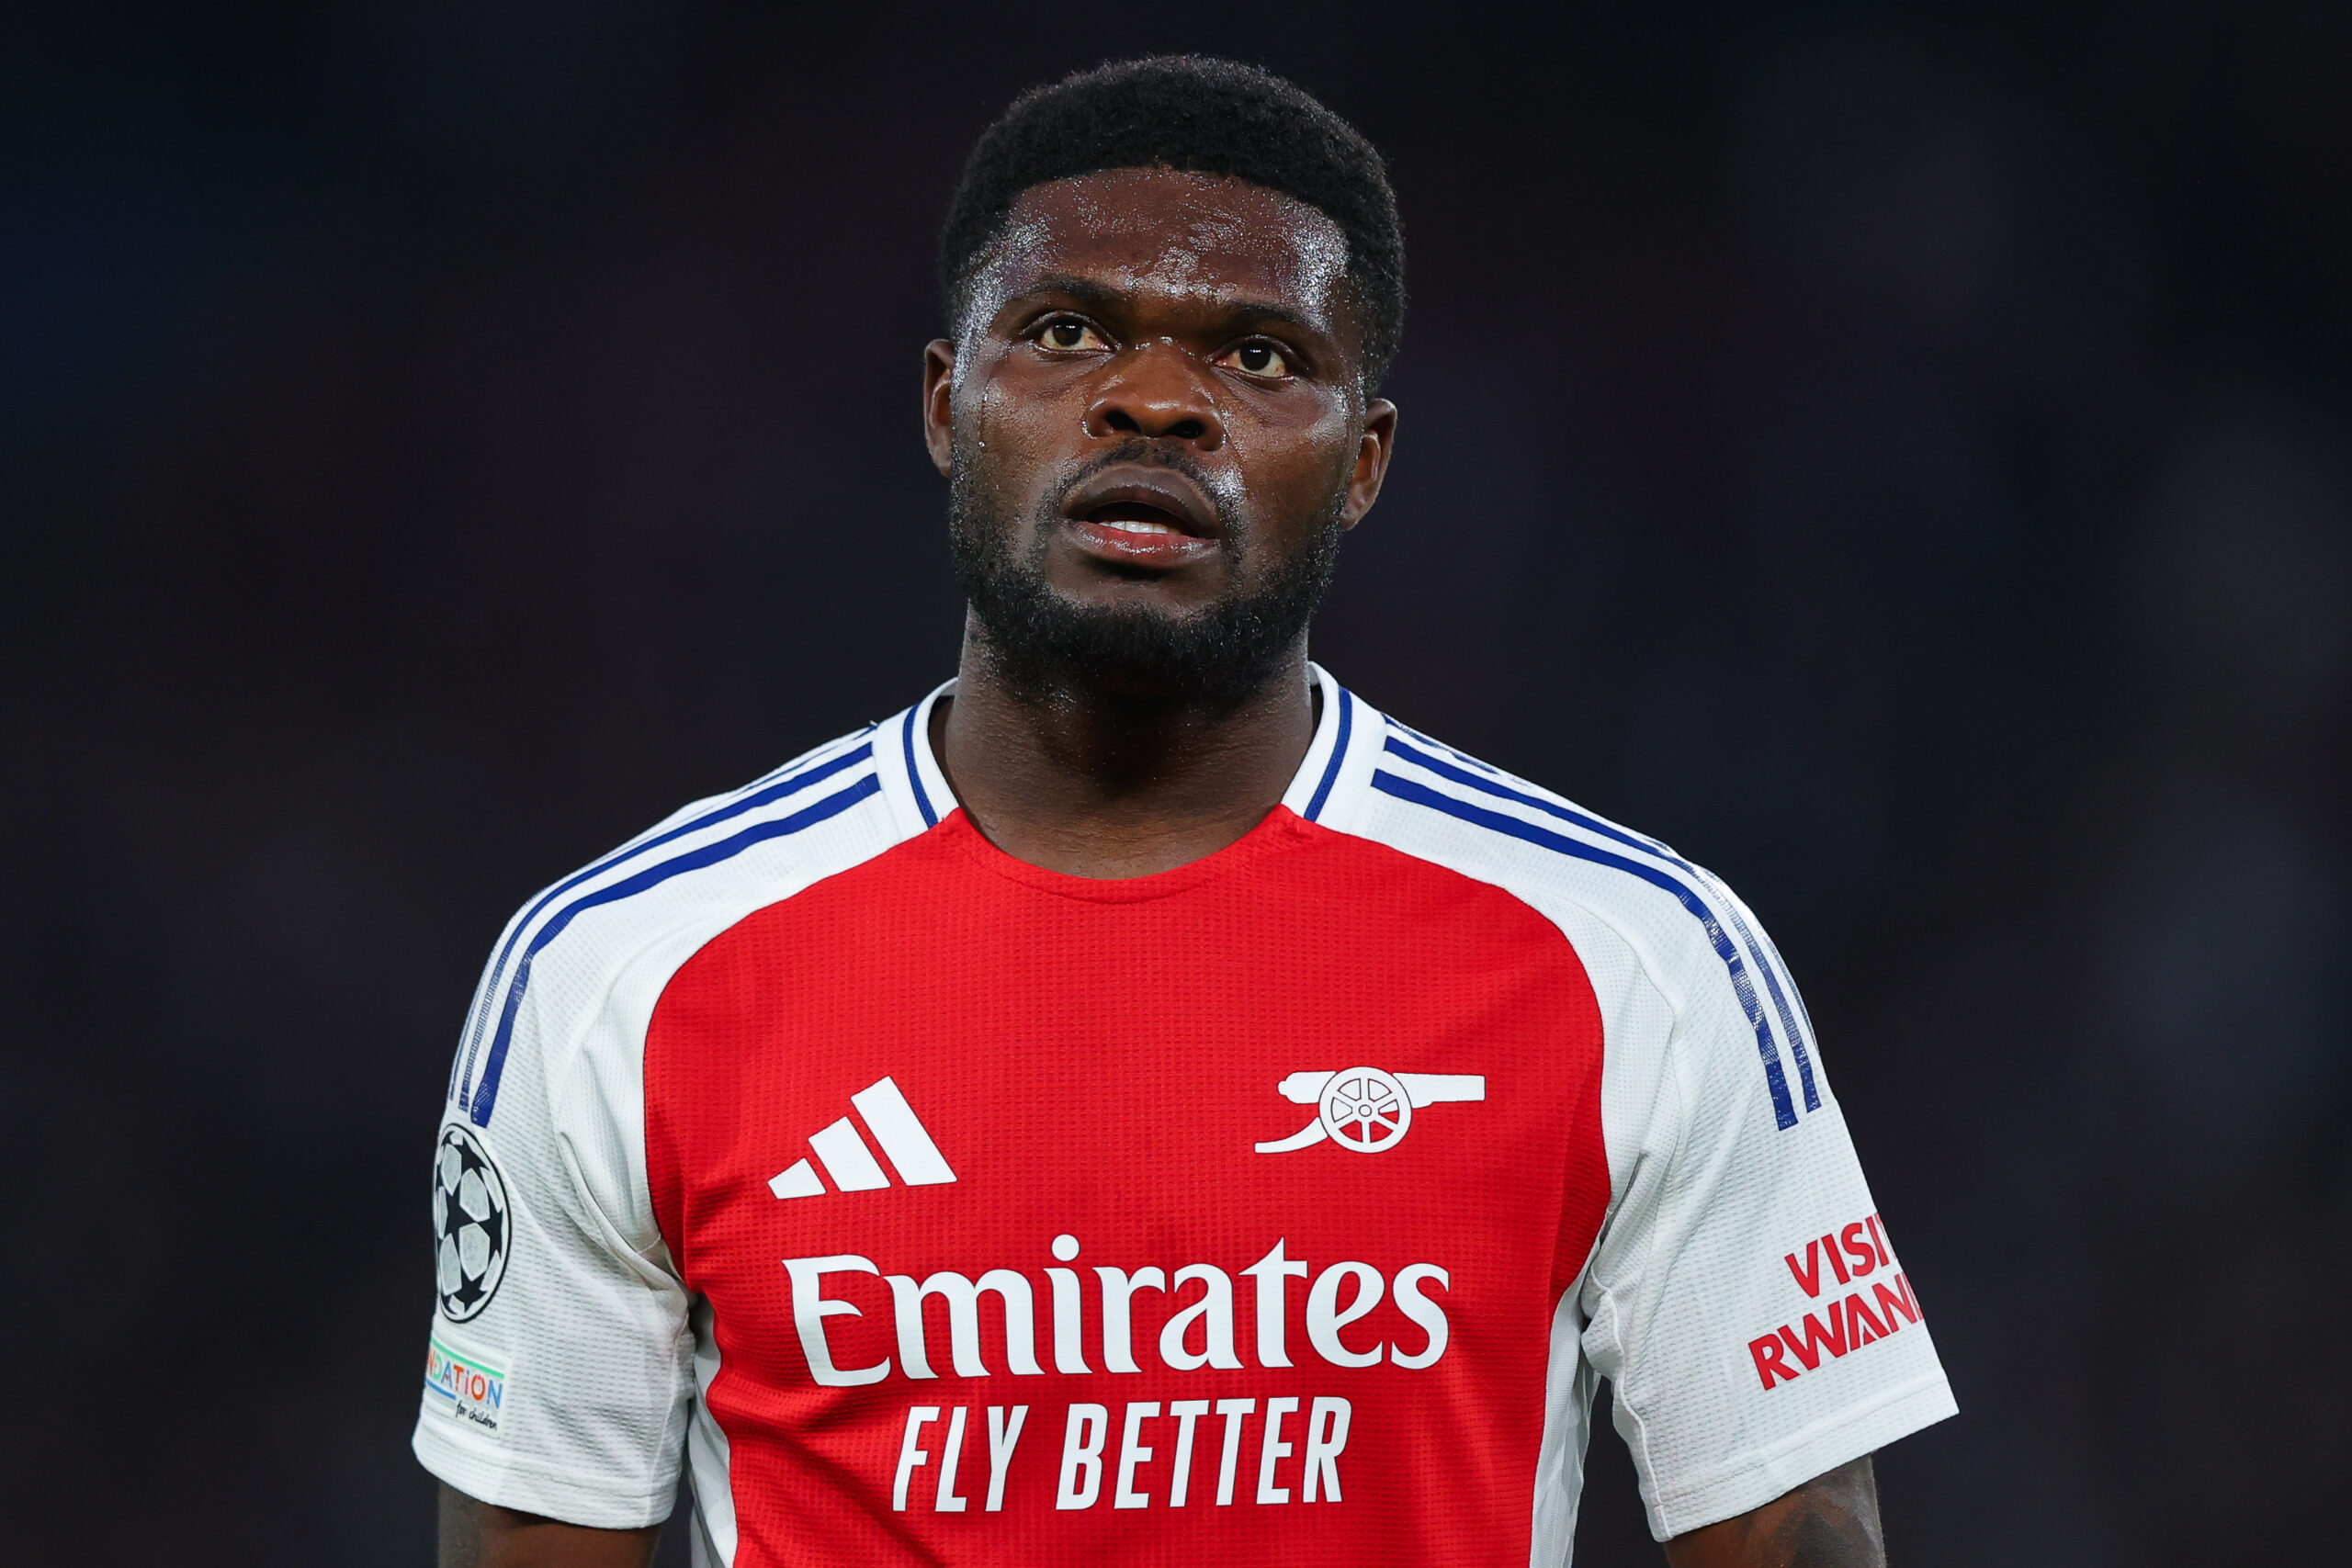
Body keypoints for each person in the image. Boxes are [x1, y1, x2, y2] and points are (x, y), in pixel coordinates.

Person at [416, 54, 1955, 1568]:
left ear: (1364, 463)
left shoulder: (1637, 963)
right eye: (1066, 331)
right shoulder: (621, 973)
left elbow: (1796, 1534)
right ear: (948, 406)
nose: (1154, 400)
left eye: (1261, 357)